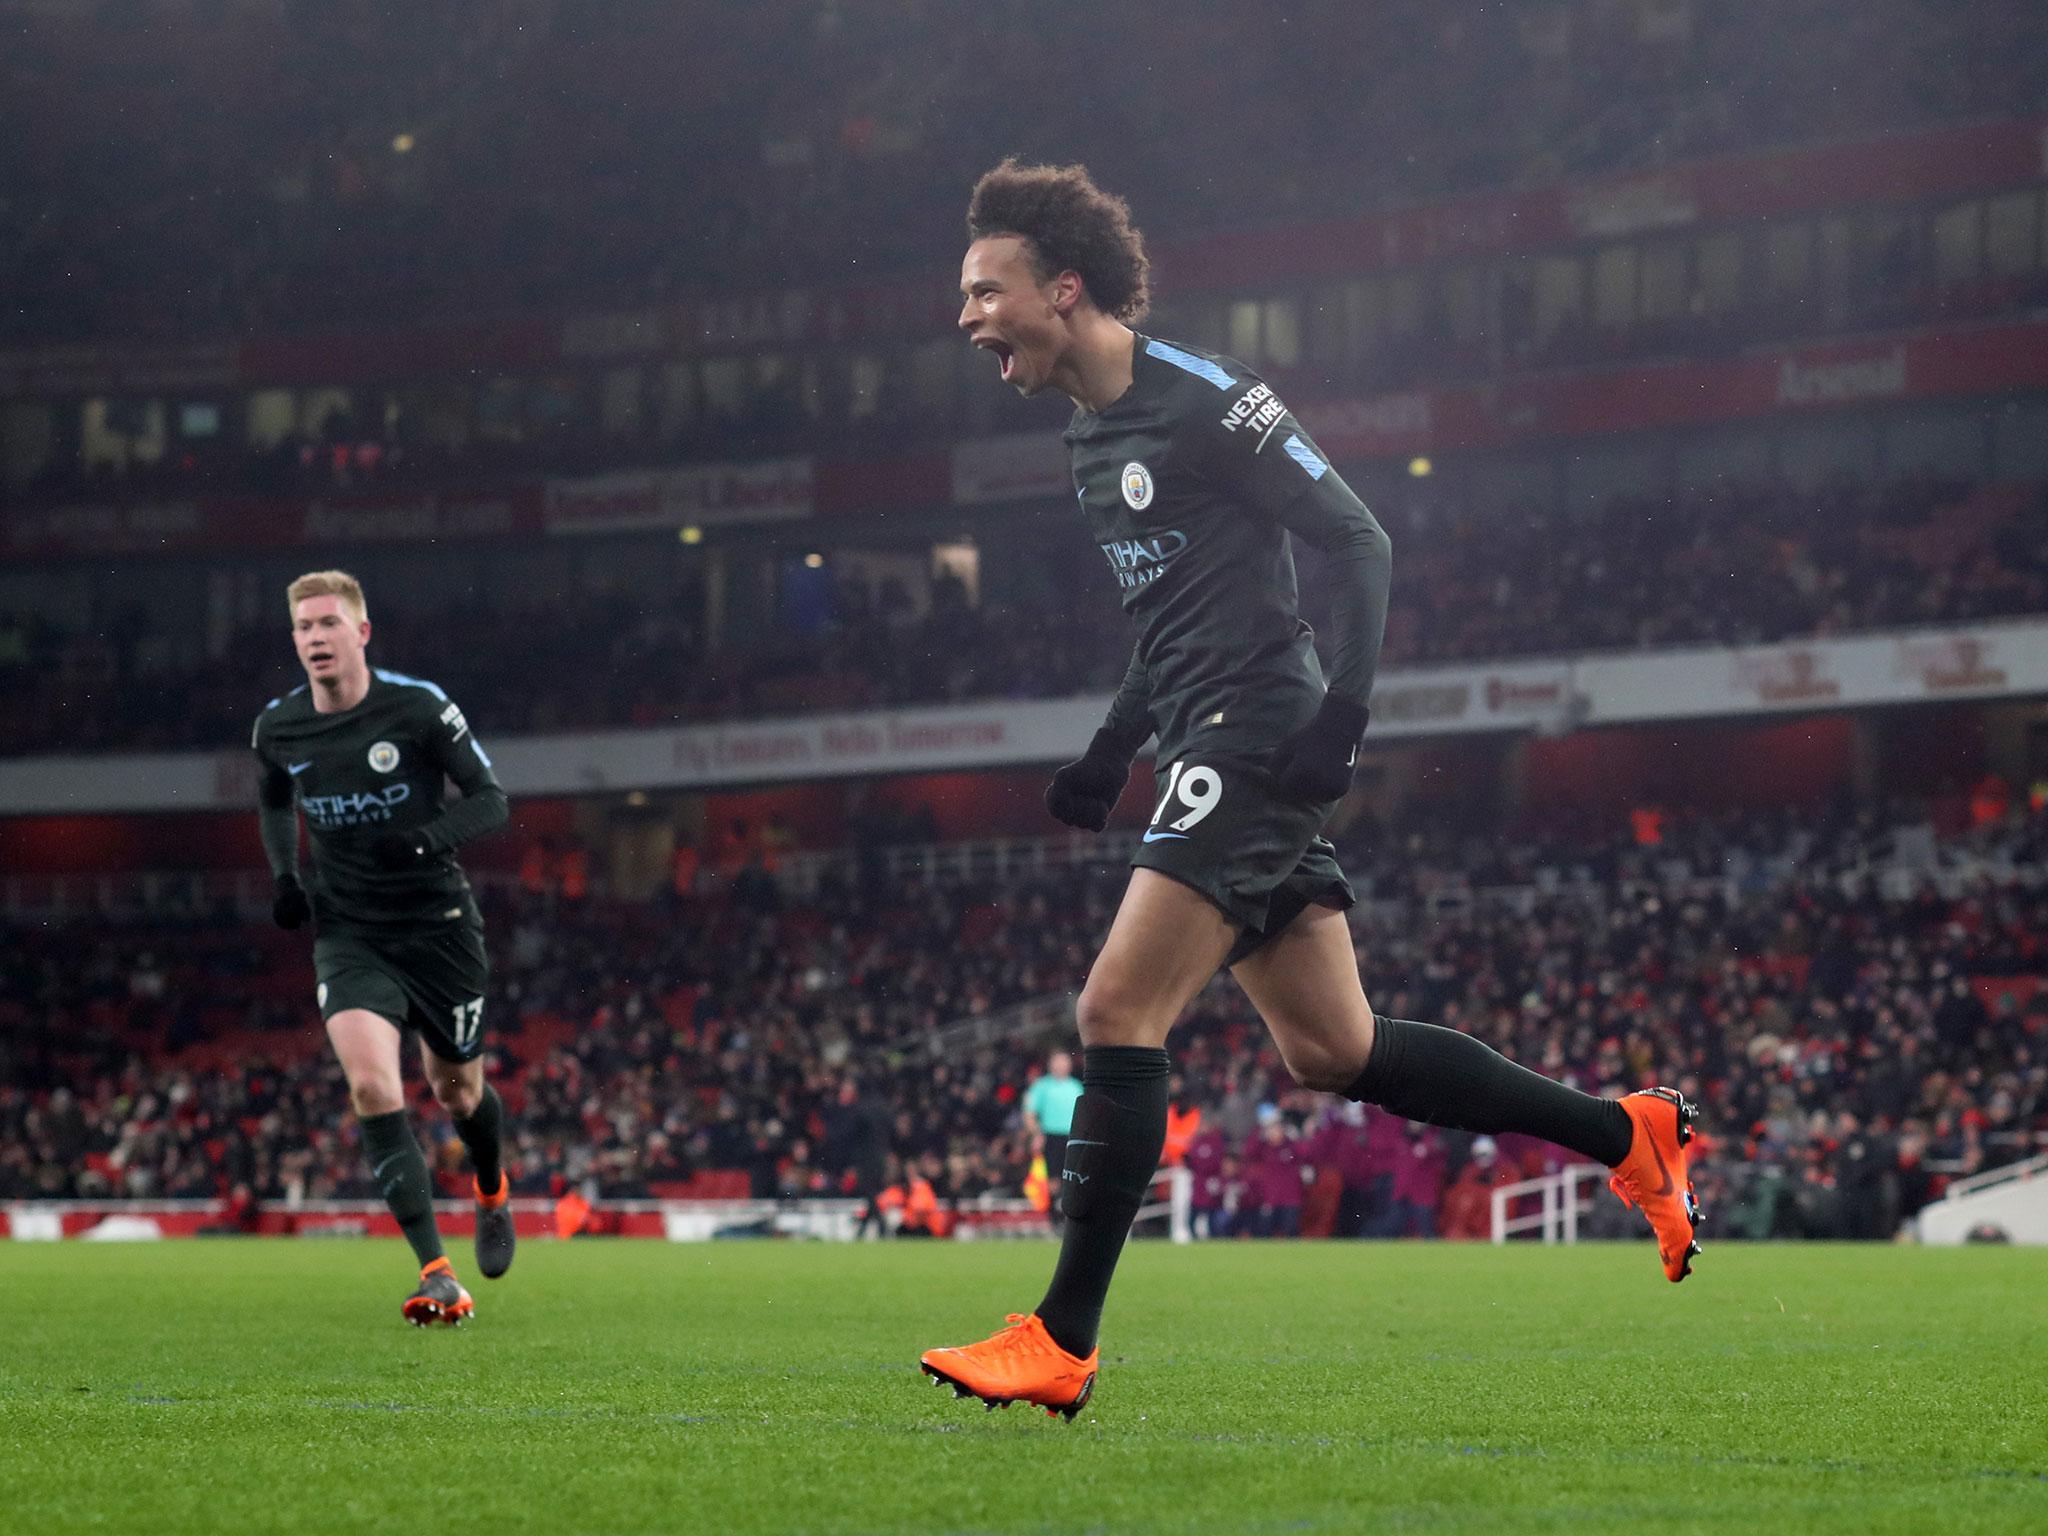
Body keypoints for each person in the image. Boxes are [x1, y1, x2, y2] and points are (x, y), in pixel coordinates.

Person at [920, 161, 1702, 1419]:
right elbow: (1166, 619)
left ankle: (1059, 1340)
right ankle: (1629, 1136)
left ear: (1062, 290)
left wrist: (1343, 718)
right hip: (1198, 735)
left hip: (1258, 735)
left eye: (982, 291)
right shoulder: (1085, 438)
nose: (964, 317)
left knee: (1115, 1010)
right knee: (1333, 1049)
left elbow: (1359, 540)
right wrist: (1111, 752)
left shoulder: (1203, 400)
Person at [251, 570, 513, 1325]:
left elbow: (492, 801)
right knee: (372, 1086)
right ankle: (437, 1273)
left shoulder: (419, 707)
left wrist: (428, 842)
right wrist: (284, 877)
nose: (314, 638)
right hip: (350, 931)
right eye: (302, 627)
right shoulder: (278, 728)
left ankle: (492, 1189)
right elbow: (272, 800)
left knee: (458, 1092)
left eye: (328, 623)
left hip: (437, 925)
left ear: (361, 633)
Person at [1021, 1049, 1083, 1228]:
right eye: (1058, 1061)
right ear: (1051, 1064)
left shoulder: (1076, 1087)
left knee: (1073, 1177)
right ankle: (1053, 1218)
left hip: (1073, 1136)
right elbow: (1029, 1113)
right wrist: (1036, 1133)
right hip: (1051, 1136)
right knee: (1053, 1178)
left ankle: (1069, 1216)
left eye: (1064, 1062)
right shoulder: (1041, 1086)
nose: (1061, 1065)